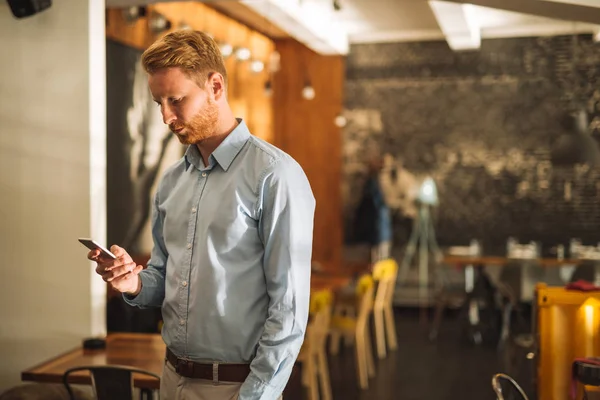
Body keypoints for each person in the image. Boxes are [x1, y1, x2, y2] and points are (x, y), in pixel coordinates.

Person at [88, 30, 316, 400]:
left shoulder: (275, 175)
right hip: (170, 378)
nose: (165, 115)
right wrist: (132, 282)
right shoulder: (171, 182)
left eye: (176, 100)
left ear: (215, 86)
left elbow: (288, 313)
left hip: (236, 387)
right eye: (158, 102)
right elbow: (163, 279)